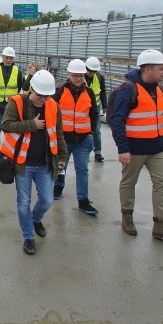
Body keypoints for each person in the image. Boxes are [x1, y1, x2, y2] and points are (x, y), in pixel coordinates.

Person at [110, 50, 163, 245]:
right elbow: (117, 120)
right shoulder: (128, 89)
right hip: (134, 149)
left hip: (157, 148)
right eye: (161, 68)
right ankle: (127, 217)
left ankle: (160, 225)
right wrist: (122, 148)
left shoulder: (160, 90)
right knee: (128, 183)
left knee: (162, 184)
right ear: (147, 69)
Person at [0, 70, 67, 255]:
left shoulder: (53, 106)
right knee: (23, 203)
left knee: (46, 200)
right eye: (39, 96)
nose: (43, 100)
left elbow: (58, 133)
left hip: (45, 163)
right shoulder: (17, 103)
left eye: (46, 96)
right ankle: (28, 237)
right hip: (23, 163)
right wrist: (32, 125)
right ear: (31, 89)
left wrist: (62, 156)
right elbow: (5, 125)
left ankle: (36, 219)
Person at [53, 59, 99, 214]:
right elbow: (51, 111)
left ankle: (83, 200)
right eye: (75, 75)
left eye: (81, 76)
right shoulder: (60, 91)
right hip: (64, 140)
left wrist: (91, 132)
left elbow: (94, 114)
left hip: (83, 140)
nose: (78, 78)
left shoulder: (89, 93)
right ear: (69, 75)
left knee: (82, 170)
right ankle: (58, 188)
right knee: (61, 167)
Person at [0, 47, 24, 163]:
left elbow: (20, 87)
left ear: (13, 59)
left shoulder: (17, 71)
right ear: (2, 58)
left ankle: (8, 152)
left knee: (10, 132)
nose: (8, 60)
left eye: (10, 58)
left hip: (11, 108)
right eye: (6, 58)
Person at [84, 57, 108, 162]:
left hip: (95, 108)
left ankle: (98, 152)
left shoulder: (99, 77)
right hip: (83, 108)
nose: (91, 73)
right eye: (89, 71)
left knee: (97, 131)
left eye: (93, 71)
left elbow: (103, 91)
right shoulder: (80, 76)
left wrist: (105, 106)